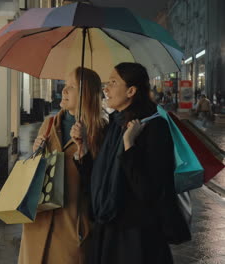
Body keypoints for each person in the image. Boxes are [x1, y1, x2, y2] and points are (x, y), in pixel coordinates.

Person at [71, 62, 177, 264]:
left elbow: (149, 191)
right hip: (109, 230)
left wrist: (129, 145)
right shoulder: (116, 124)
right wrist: (82, 147)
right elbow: (98, 181)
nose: (106, 88)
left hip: (137, 238)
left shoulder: (154, 127)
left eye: (113, 82)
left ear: (131, 90)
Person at [18, 67, 106, 264]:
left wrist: (84, 148)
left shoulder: (101, 132)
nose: (64, 90)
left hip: (71, 227)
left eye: (71, 87)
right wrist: (36, 152)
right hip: (38, 223)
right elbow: (36, 172)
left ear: (87, 94)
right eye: (65, 86)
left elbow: (100, 184)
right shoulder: (50, 124)